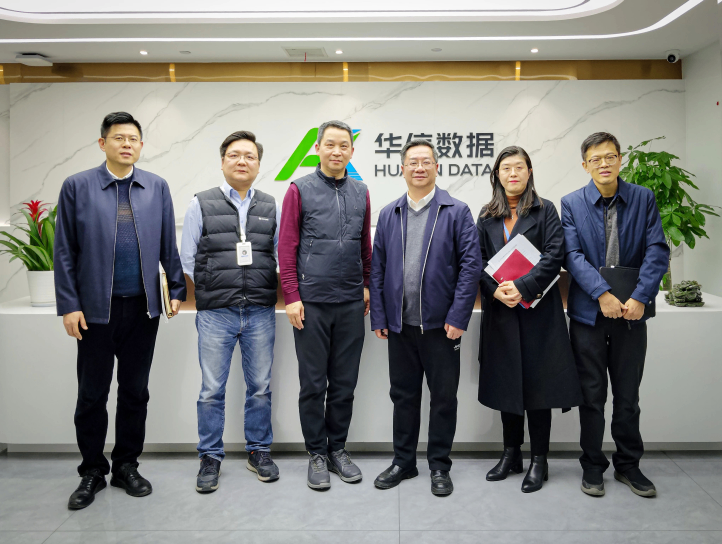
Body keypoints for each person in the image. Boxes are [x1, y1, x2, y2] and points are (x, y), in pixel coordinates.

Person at [54, 112, 186, 510]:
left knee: (135, 392)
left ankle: (126, 465)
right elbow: (64, 251)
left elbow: (168, 243)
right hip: (95, 311)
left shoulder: (156, 186)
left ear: (141, 146)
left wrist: (176, 288)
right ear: (103, 143)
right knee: (91, 395)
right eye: (118, 138)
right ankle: (92, 470)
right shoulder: (77, 186)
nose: (126, 144)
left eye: (133, 139)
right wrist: (70, 305)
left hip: (143, 309)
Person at [370, 139, 482, 497]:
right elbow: (377, 268)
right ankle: (403, 461)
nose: (419, 167)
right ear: (402, 168)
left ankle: (439, 466)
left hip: (441, 327)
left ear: (437, 167)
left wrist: (459, 315)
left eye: (426, 162)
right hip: (401, 326)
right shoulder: (390, 213)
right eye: (413, 162)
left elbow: (471, 267)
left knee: (443, 398)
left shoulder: (456, 211)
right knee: (403, 396)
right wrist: (380, 317)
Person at [561, 132, 669, 498]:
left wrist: (640, 296)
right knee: (591, 395)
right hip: (589, 316)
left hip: (632, 315)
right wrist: (602, 294)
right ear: (585, 165)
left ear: (620, 160)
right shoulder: (571, 203)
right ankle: (592, 466)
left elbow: (657, 249)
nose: (604, 164)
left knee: (627, 396)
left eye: (610, 157)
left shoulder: (643, 198)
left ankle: (628, 465)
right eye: (596, 159)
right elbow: (572, 256)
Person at [476, 146, 583, 493]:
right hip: (501, 312)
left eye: (519, 167)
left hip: (538, 313)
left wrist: (522, 287)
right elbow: (477, 260)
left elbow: (555, 255)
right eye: (506, 168)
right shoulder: (486, 215)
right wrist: (495, 291)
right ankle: (511, 454)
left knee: (539, 388)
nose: (513, 173)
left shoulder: (545, 209)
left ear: (529, 171)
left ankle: (539, 459)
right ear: (497, 175)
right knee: (507, 384)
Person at [180, 131, 282, 493]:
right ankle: (210, 456)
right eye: (235, 155)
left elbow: (280, 255)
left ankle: (259, 451)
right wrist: (212, 288)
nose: (242, 161)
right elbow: (187, 257)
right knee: (211, 389)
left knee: (260, 388)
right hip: (216, 314)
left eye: (249, 156)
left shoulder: (270, 205)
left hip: (259, 311)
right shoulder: (201, 203)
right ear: (223, 162)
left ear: (258, 164)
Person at [278, 120, 372, 490]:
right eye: (329, 144)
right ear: (317, 148)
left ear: (351, 151)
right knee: (314, 384)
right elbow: (287, 246)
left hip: (350, 302)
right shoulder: (299, 189)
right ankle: (316, 453)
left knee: (345, 384)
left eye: (343, 145)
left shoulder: (361, 191)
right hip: (311, 303)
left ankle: (338, 450)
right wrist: (292, 296)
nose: (336, 151)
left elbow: (365, 245)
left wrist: (366, 285)